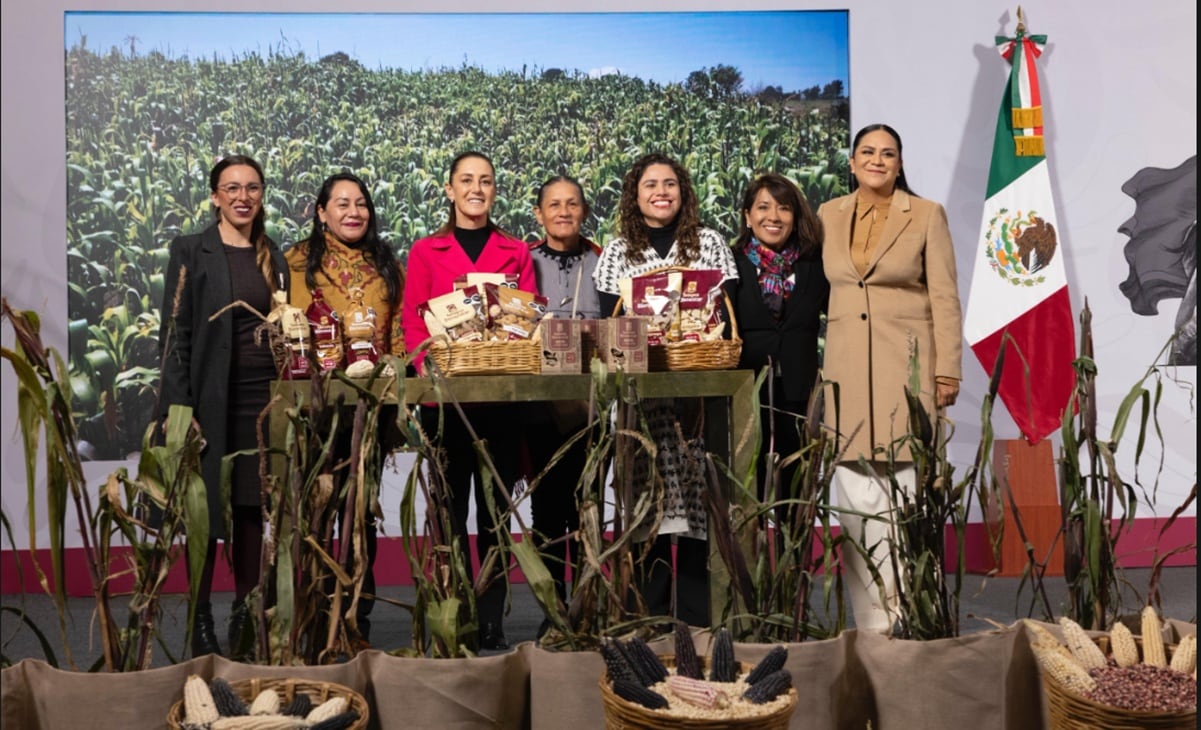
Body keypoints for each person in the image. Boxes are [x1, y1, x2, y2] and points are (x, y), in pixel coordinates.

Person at [816, 123, 963, 633]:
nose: (877, 160)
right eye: (867, 152)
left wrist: (947, 370)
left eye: (888, 153)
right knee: (855, 509)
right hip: (847, 380)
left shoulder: (925, 215)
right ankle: (873, 629)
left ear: (900, 164)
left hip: (908, 375)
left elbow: (944, 296)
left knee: (907, 505)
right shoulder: (827, 216)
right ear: (852, 161)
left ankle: (913, 623)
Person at [592, 152, 739, 627]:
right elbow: (609, 324)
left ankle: (698, 625)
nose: (661, 192)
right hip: (642, 406)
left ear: (684, 191)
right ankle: (650, 623)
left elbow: (725, 313)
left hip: (697, 400)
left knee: (700, 515)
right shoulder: (617, 252)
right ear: (635, 195)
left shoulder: (710, 243)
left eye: (670, 183)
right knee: (647, 516)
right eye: (650, 184)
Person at [402, 151, 536, 650]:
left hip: (500, 399)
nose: (476, 188)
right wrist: (427, 366)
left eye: (485, 181)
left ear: (494, 190)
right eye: (466, 180)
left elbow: (525, 319)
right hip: (444, 404)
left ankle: (492, 617)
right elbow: (414, 321)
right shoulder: (425, 252)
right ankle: (455, 611)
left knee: (496, 516)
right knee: (449, 512)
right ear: (449, 189)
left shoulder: (514, 251)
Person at [158, 154, 288, 657]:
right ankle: (200, 620)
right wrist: (179, 412)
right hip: (209, 401)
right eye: (231, 188)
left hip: (261, 401)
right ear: (215, 196)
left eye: (252, 188)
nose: (242, 197)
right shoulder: (191, 250)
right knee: (204, 515)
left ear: (261, 195)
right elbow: (177, 336)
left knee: (253, 510)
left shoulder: (270, 254)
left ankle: (245, 614)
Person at [285, 172, 404, 648]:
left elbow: (395, 333)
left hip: (370, 408)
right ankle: (312, 613)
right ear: (321, 212)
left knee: (359, 514)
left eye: (361, 204)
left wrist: (396, 382)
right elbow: (288, 326)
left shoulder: (386, 262)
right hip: (314, 406)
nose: (354, 212)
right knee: (315, 508)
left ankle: (357, 613)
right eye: (342, 204)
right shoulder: (296, 262)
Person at [725, 173, 829, 526]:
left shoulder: (815, 264)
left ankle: (790, 572)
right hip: (746, 388)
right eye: (764, 207)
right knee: (745, 482)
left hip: (799, 389)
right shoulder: (732, 264)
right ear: (747, 215)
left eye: (784, 208)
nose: (774, 217)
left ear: (796, 217)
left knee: (796, 484)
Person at [524, 176, 603, 637]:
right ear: (539, 213)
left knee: (586, 504)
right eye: (554, 204)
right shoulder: (526, 261)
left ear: (584, 211)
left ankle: (589, 605)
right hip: (539, 404)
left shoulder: (601, 260)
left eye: (572, 203)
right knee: (547, 511)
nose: (563, 211)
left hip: (591, 404)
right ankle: (554, 611)